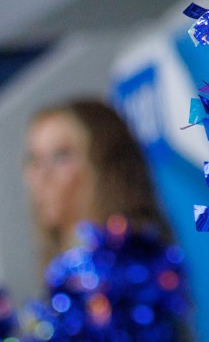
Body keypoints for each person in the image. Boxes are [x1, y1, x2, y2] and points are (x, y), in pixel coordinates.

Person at [21, 99, 175, 271]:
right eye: (34, 160)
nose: (41, 176)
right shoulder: (61, 270)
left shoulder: (137, 266)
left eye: (60, 156)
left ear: (104, 167)